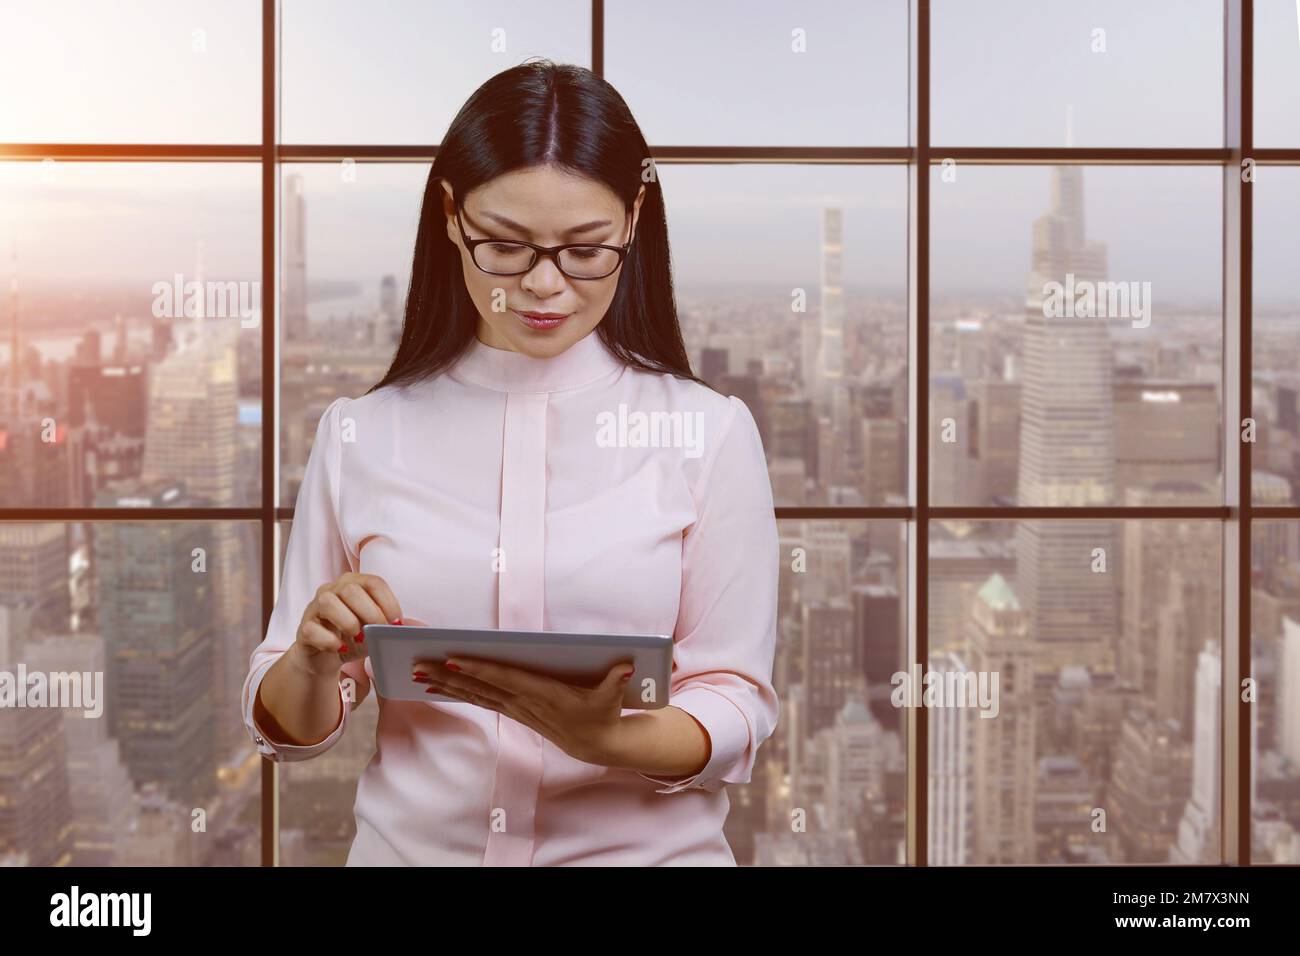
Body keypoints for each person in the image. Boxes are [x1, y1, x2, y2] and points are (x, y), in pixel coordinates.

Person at [242, 59, 779, 866]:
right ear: (452, 214)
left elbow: (736, 699)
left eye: (586, 251)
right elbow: (288, 727)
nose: (542, 285)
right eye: (505, 245)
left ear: (634, 216)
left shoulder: (710, 434)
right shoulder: (362, 433)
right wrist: (313, 661)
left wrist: (612, 738)